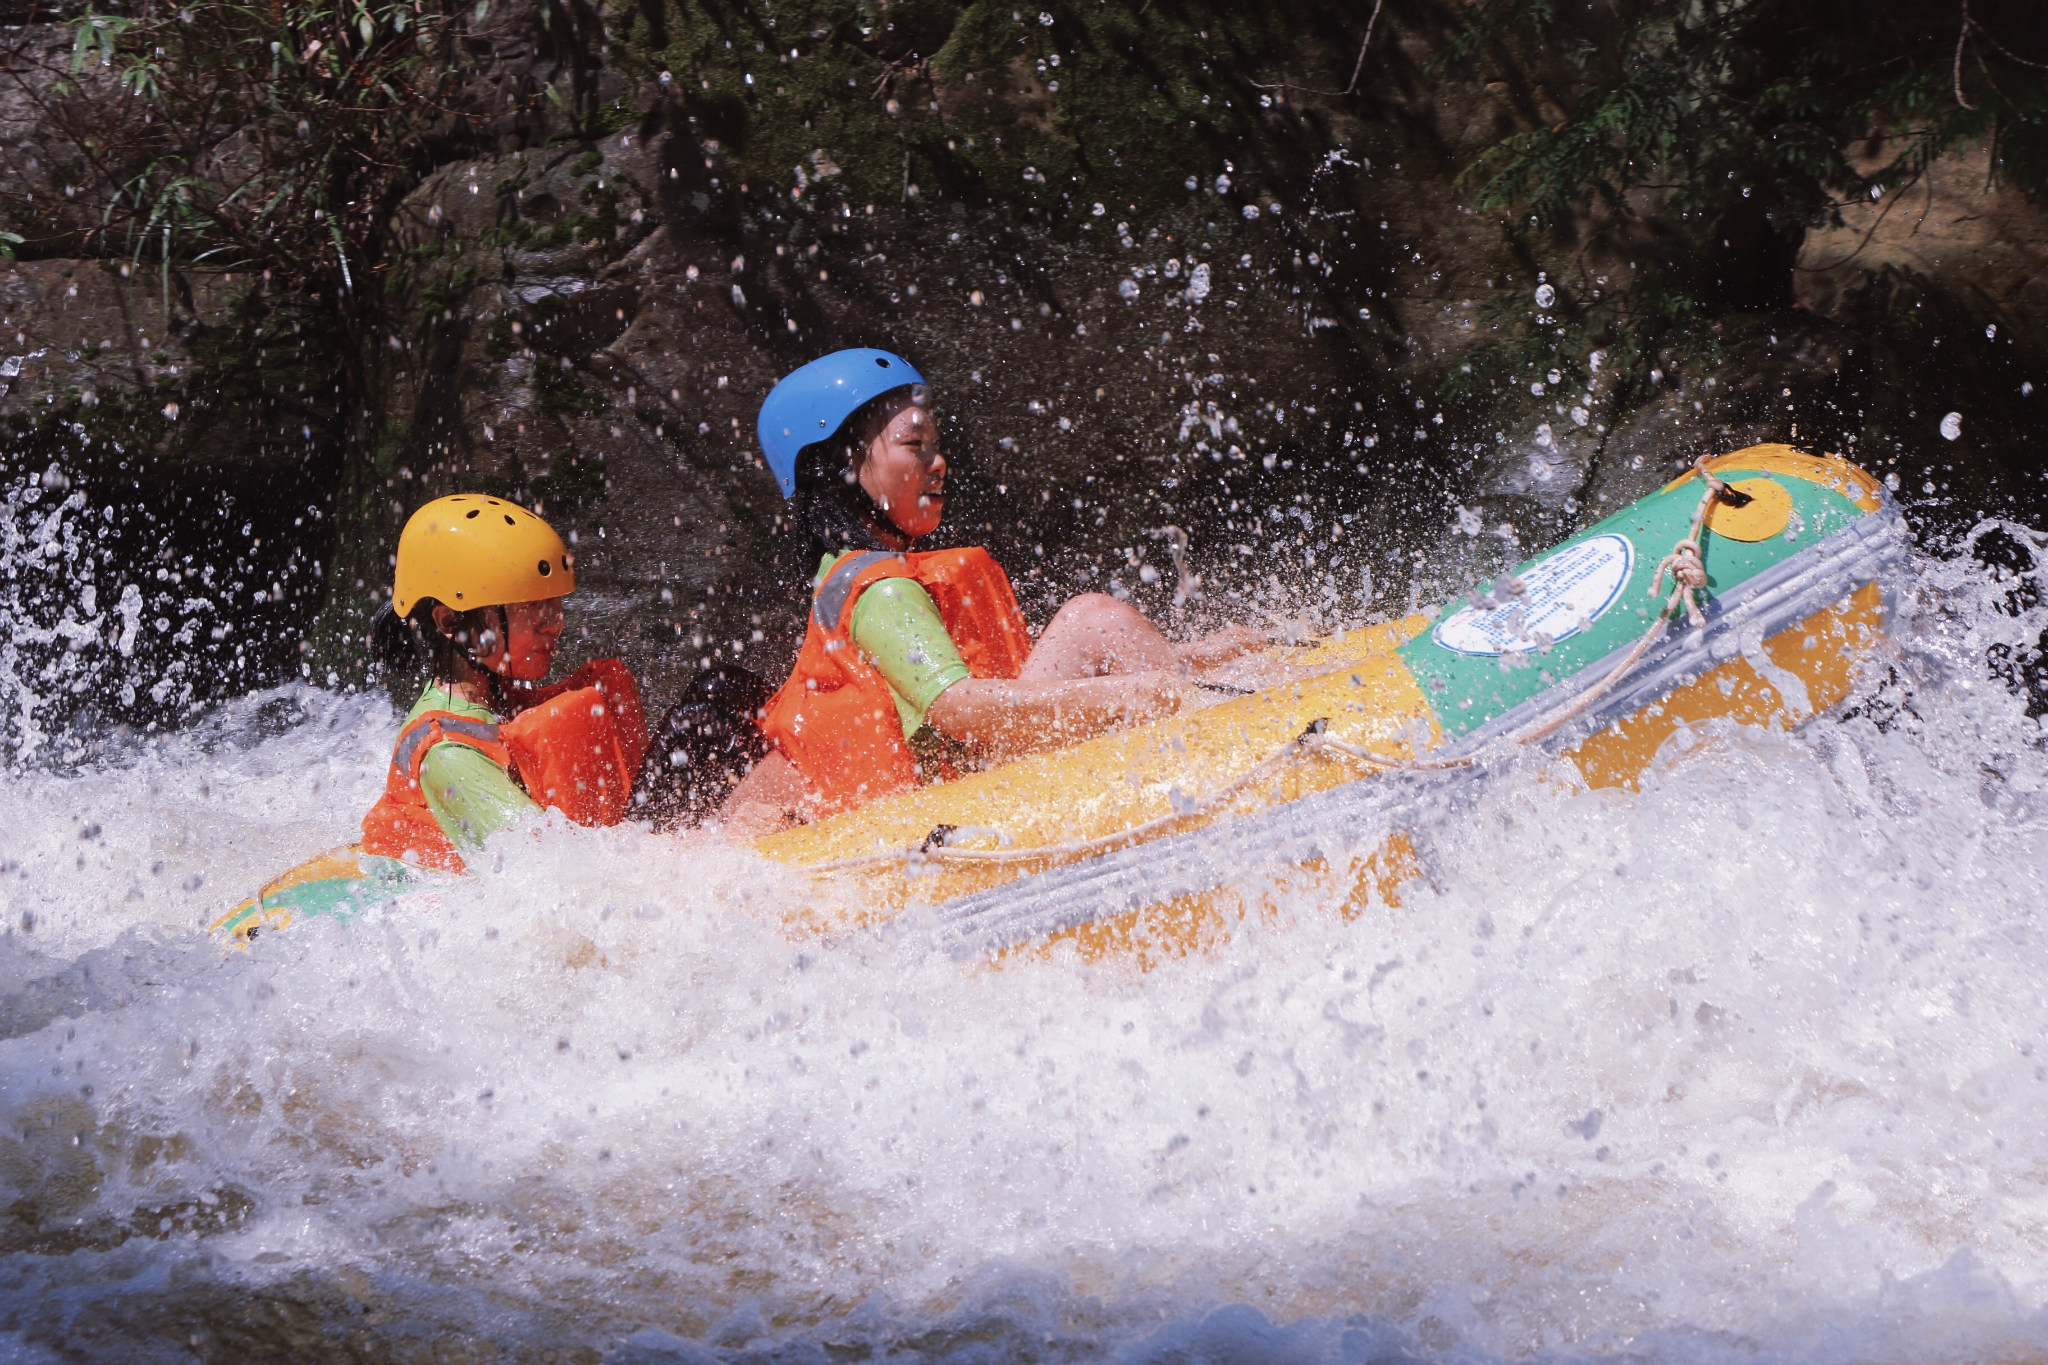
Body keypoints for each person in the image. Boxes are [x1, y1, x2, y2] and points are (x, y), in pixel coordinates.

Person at [720, 348, 1263, 833]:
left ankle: (1206, 692)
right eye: (914, 445)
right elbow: (958, 710)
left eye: (936, 445)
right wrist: (1142, 692)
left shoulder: (865, 576)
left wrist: (1193, 660)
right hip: (963, 806)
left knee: (1089, 621)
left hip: (967, 774)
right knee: (1090, 616)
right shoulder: (879, 593)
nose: (939, 464)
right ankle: (1229, 732)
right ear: (841, 465)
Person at [361, 494, 648, 870]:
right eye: (530, 606)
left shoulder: (496, 701)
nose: (554, 622)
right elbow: (549, 871)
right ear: (449, 622)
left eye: (555, 602)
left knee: (717, 694)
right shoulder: (447, 755)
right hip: (449, 908)